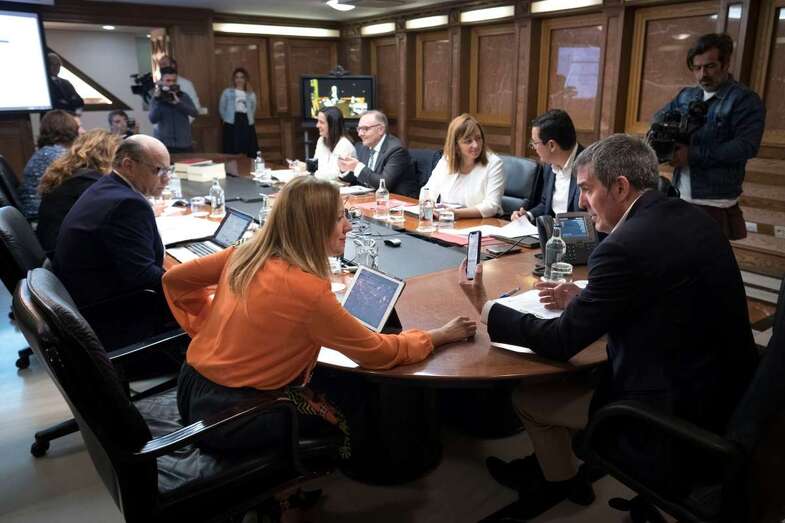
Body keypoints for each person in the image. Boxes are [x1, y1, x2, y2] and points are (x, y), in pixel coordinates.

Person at [460, 134, 757, 518]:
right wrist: (583, 300)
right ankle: (559, 470)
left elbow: (560, 342)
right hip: (730, 396)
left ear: (620, 187)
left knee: (530, 398)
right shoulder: (693, 218)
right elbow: (657, 295)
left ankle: (559, 481)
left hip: (669, 414)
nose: (581, 202)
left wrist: (491, 311)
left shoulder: (621, 247)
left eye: (587, 189)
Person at [163, 175, 476, 454]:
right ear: (314, 226)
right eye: (340, 217)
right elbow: (378, 354)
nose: (349, 226)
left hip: (191, 386)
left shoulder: (245, 252)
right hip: (235, 415)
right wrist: (439, 335)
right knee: (348, 403)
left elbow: (174, 281)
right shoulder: (307, 290)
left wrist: (209, 331)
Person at [53, 135, 174, 350]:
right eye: (159, 170)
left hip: (88, 303)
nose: (167, 179)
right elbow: (144, 276)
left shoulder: (106, 185)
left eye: (168, 170)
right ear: (128, 165)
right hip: (117, 322)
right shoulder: (127, 204)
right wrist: (192, 279)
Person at [654, 33, 765, 240]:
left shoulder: (744, 100)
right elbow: (658, 119)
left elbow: (746, 147)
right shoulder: (687, 95)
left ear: (725, 63)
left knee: (704, 264)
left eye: (710, 66)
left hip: (715, 200)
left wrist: (692, 155)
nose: (702, 74)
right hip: (680, 192)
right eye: (697, 68)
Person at [36, 129, 122, 256]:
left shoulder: (71, 174)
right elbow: (115, 222)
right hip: (67, 257)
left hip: (56, 249)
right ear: (107, 155)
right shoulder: (87, 181)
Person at [423, 113, 505, 218]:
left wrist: (456, 214)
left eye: (478, 138)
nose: (475, 145)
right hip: (447, 222)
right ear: (456, 146)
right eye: (468, 141)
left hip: (482, 225)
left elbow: (491, 206)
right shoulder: (446, 160)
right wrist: (430, 207)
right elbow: (428, 190)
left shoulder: (494, 163)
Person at [510, 110, 584, 222]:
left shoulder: (589, 167)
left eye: (535, 143)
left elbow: (590, 218)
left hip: (577, 238)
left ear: (551, 145)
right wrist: (528, 216)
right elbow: (546, 204)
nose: (533, 147)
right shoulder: (549, 166)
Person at [337, 110, 417, 198]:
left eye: (365, 129)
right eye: (359, 129)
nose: (360, 134)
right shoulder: (362, 147)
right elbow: (358, 177)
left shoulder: (396, 150)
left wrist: (357, 167)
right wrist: (345, 169)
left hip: (398, 203)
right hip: (370, 200)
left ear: (380, 130)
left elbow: (384, 184)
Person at [19, 110, 80, 218]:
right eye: (79, 127)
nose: (82, 131)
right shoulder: (57, 154)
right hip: (42, 217)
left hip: (36, 214)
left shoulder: (47, 151)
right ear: (68, 129)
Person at [149, 66, 199, 153]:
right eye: (168, 80)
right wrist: (159, 101)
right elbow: (153, 119)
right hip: (165, 145)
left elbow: (195, 113)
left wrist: (179, 104)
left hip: (184, 144)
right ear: (161, 81)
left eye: (174, 81)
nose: (171, 83)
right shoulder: (156, 98)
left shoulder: (183, 96)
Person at [218, 67, 259, 157]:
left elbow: (253, 108)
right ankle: (231, 170)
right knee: (231, 149)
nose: (239, 79)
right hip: (231, 122)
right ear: (234, 79)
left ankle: (248, 169)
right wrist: (226, 119)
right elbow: (221, 108)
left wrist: (249, 118)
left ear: (245, 79)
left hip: (246, 121)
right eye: (237, 77)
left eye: (242, 77)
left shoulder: (251, 93)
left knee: (249, 148)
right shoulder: (227, 92)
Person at [313, 106, 355, 181]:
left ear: (333, 125)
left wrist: (313, 174)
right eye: (318, 121)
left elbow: (335, 175)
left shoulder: (345, 145)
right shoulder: (321, 140)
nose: (317, 125)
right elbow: (316, 166)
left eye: (321, 122)